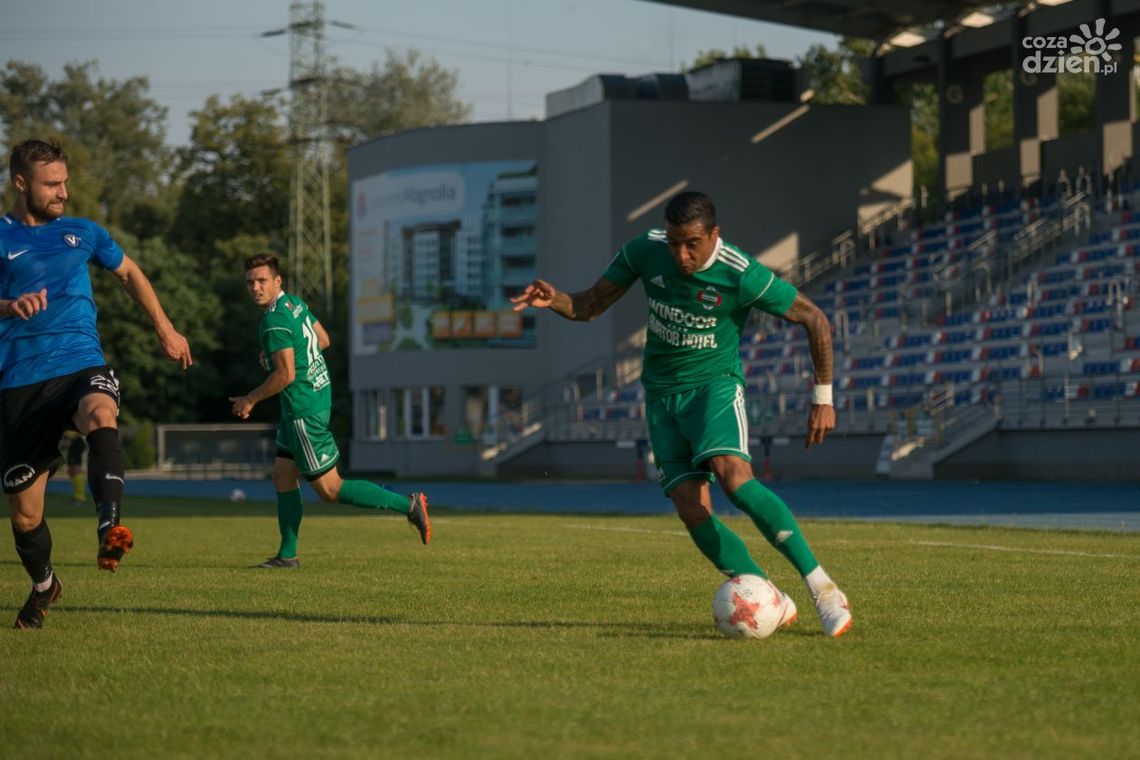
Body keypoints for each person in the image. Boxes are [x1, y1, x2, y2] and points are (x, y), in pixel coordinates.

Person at [511, 191, 852, 638]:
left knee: (733, 476)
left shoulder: (740, 272)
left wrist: (823, 398)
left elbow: (814, 318)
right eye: (674, 243)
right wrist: (555, 299)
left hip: (714, 387)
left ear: (714, 235)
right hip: (660, 395)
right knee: (691, 508)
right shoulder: (644, 250)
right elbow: (590, 305)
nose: (681, 254)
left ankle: (824, 591)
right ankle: (767, 594)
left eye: (692, 243)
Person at [1, 139, 193, 630]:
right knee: (24, 516)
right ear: (20, 183)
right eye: (52, 184)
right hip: (20, 382)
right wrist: (8, 306)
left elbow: (129, 272)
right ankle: (44, 585)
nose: (63, 192)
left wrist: (165, 328)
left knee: (101, 412)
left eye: (65, 182)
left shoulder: (83, 232)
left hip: (80, 362)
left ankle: (110, 525)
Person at [229, 253, 431, 568]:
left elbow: (285, 376)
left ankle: (409, 504)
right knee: (283, 475)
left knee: (330, 489)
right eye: (250, 282)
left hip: (303, 410)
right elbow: (322, 340)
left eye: (262, 281)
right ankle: (287, 555)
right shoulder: (294, 304)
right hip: (310, 402)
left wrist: (250, 399)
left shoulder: (273, 321)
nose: (255, 287)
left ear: (277, 281)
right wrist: (284, 358)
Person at [62, 432, 87, 505]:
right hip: (74, 443)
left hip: (76, 443)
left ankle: (80, 498)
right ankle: (77, 496)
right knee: (72, 472)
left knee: (75, 470)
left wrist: (69, 439)